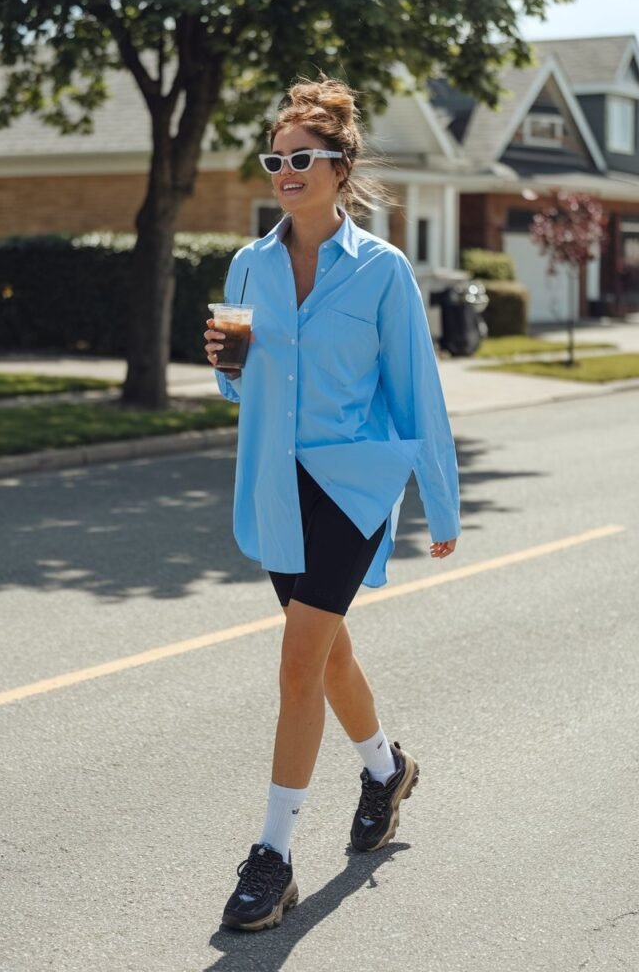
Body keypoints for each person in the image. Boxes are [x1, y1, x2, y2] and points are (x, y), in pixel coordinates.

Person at [204, 75, 460, 932]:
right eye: (274, 158)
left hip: (353, 491)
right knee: (330, 659)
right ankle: (386, 771)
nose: (284, 169)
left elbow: (417, 393)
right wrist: (225, 367)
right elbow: (242, 391)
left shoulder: (383, 272)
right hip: (278, 489)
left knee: (296, 665)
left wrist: (443, 508)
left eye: (301, 157)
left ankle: (272, 858)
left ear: (339, 166)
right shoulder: (248, 264)